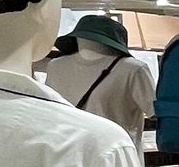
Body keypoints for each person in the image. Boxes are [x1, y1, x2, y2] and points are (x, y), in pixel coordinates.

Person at [40, 12, 152, 150]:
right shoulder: (56, 66)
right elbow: (154, 112)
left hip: (75, 153)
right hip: (104, 153)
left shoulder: (132, 69)